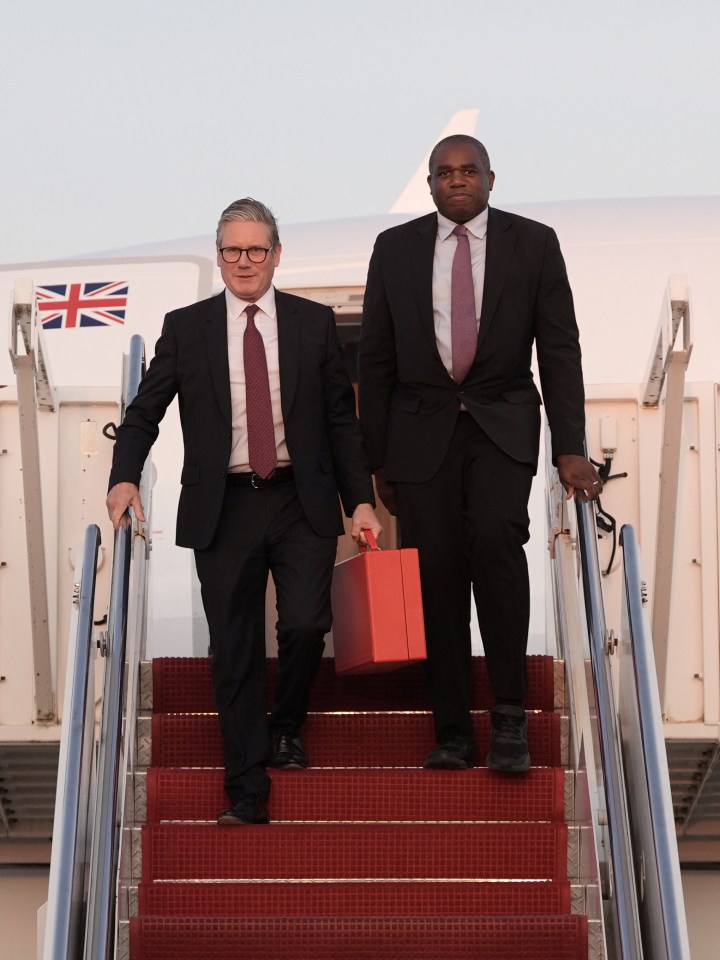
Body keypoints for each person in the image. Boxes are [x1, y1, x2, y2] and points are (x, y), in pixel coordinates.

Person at [107, 198, 381, 825]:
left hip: (298, 496)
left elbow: (342, 422)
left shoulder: (313, 326)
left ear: (277, 254)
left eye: (257, 249)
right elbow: (145, 410)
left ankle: (286, 723)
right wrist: (125, 478)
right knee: (233, 647)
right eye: (232, 250)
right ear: (220, 255)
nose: (244, 261)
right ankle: (247, 789)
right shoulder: (188, 327)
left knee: (309, 624)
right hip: (223, 505)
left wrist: (360, 499)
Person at [358, 135, 601, 774]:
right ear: (430, 183)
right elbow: (375, 358)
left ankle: (511, 719)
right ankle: (453, 730)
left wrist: (569, 447)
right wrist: (376, 460)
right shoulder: (395, 248)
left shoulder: (534, 243)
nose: (457, 180)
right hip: (420, 436)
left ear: (491, 179)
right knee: (436, 574)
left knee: (495, 545)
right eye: (445, 172)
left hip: (501, 427)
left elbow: (559, 349)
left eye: (469, 171)